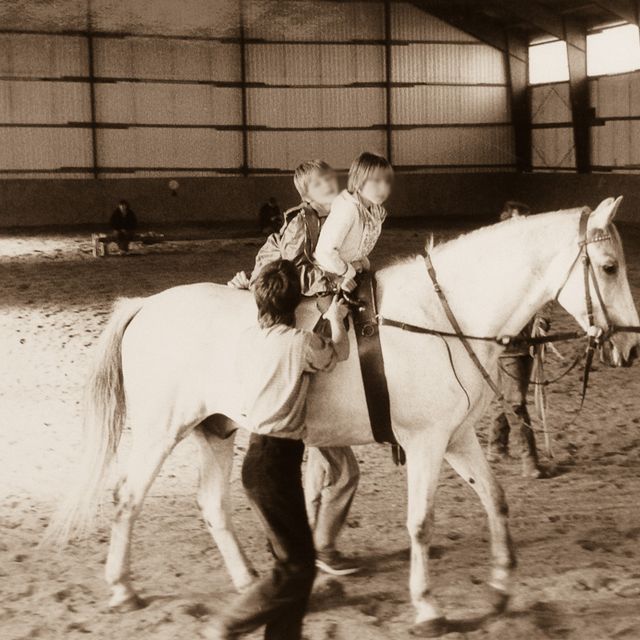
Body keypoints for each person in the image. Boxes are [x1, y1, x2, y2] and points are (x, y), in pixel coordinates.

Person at [228, 160, 362, 576]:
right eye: (320, 182)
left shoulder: (341, 215)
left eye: (331, 178)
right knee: (342, 469)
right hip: (305, 307)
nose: (331, 184)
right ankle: (320, 547)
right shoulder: (303, 221)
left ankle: (319, 542)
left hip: (323, 296)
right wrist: (332, 280)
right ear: (306, 193)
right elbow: (285, 273)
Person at [206, 260, 350, 640]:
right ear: (294, 303)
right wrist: (335, 317)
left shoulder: (248, 339)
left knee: (291, 562)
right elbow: (339, 354)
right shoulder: (301, 344)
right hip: (278, 465)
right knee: (299, 567)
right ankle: (230, 622)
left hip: (256, 461)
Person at [487, 201, 548, 479]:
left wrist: (543, 321)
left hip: (528, 341)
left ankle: (496, 446)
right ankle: (529, 459)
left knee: (507, 395)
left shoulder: (532, 263)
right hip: (505, 341)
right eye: (514, 224)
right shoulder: (495, 265)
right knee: (516, 399)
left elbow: (544, 296)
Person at [314, 151, 393, 293]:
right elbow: (324, 252)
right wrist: (347, 272)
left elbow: (357, 246)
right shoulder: (347, 209)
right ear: (358, 182)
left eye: (386, 181)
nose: (383, 188)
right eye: (376, 181)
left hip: (351, 271)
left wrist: (361, 262)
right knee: (341, 312)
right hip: (327, 274)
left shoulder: (373, 210)